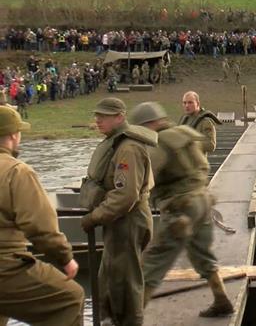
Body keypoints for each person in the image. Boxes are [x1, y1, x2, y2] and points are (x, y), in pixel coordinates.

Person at [130, 102, 234, 317]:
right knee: (202, 255)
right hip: (202, 201)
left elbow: (145, 178)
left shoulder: (158, 144)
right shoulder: (183, 134)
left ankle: (131, 318)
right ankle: (221, 298)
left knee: (153, 262)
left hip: (181, 210)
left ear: (147, 125)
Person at [0, 105, 84, 326]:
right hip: (5, 267)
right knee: (70, 299)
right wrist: (65, 258)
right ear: (12, 135)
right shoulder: (17, 171)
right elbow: (40, 227)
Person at [80, 97, 158, 326]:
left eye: (103, 116)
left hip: (129, 221)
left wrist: (94, 217)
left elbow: (125, 196)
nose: (97, 120)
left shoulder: (129, 148)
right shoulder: (115, 143)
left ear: (120, 117)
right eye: (97, 115)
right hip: (119, 221)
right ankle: (111, 320)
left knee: (125, 282)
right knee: (110, 278)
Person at [179, 91, 221, 156]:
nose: (187, 105)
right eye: (184, 103)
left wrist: (191, 143)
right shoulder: (184, 120)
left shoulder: (205, 122)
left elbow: (211, 145)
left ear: (198, 104)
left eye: (190, 102)